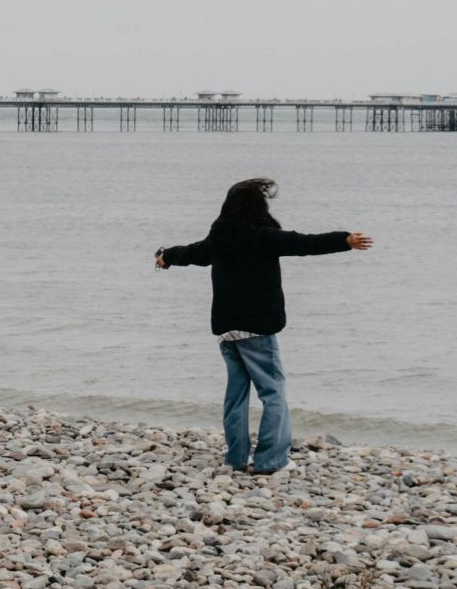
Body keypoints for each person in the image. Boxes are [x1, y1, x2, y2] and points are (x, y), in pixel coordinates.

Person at [155, 177, 371, 477]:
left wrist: (167, 256)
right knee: (273, 393)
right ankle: (271, 460)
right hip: (256, 329)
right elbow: (304, 243)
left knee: (236, 395)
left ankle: (236, 458)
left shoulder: (220, 235)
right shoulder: (264, 236)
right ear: (259, 208)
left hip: (227, 330)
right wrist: (345, 240)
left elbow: (194, 252)